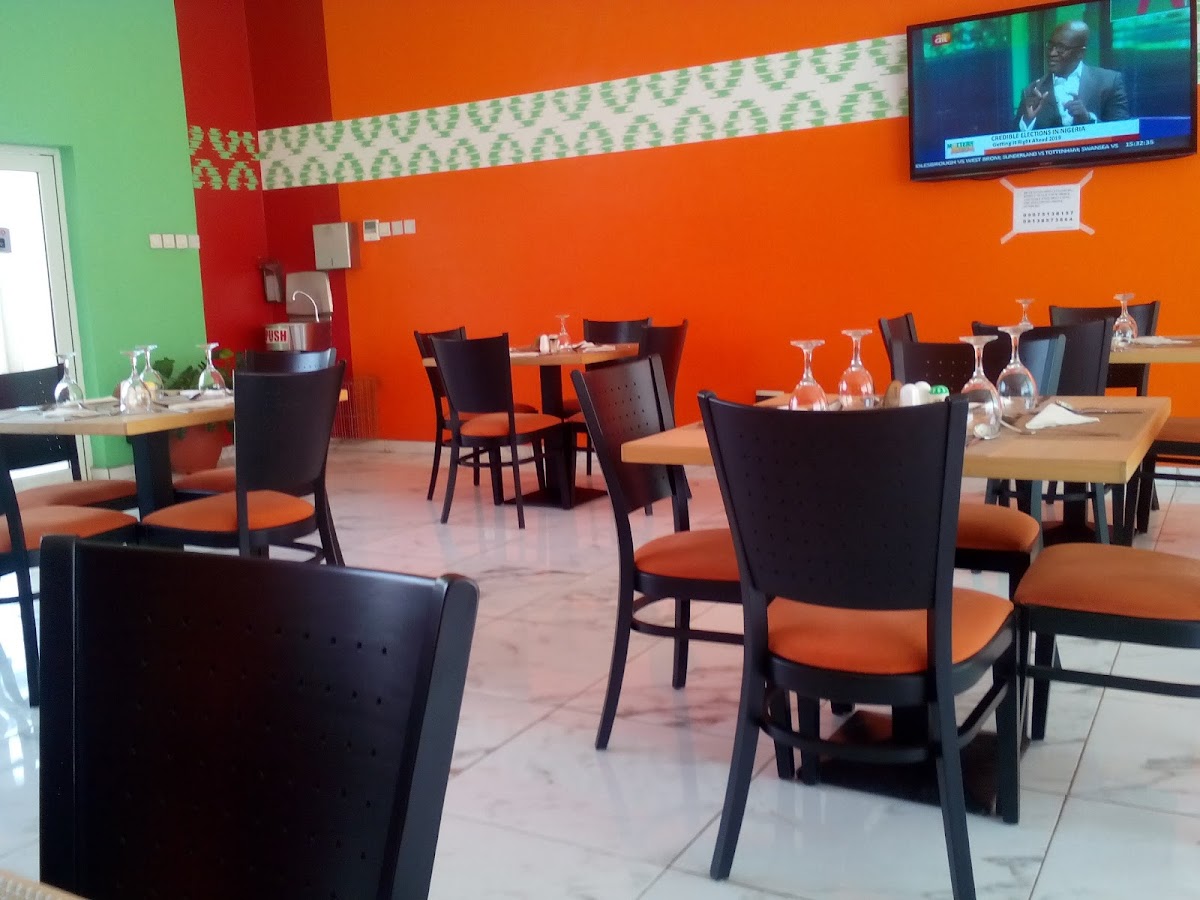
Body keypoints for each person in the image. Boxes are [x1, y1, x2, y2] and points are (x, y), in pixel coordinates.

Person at [1015, 21, 1129, 130]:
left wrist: (1089, 119)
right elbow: (1013, 138)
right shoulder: (1032, 91)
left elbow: (1123, 131)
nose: (1052, 53)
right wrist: (1027, 121)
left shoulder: (1109, 82)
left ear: (1080, 53)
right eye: (1050, 46)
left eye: (1061, 48)